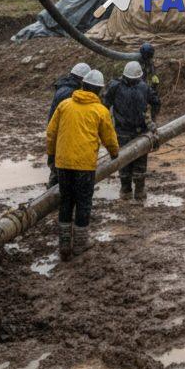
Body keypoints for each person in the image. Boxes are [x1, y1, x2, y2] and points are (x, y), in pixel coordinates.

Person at [46, 69, 119, 260]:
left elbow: (51, 133)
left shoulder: (64, 105)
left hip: (63, 163)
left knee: (66, 201)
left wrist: (52, 156)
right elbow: (109, 137)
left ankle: (63, 245)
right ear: (98, 90)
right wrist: (114, 152)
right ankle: (79, 245)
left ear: (83, 85)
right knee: (83, 203)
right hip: (85, 166)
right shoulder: (100, 110)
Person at [103, 60, 161, 201]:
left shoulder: (139, 87)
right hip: (128, 131)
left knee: (130, 163)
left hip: (135, 131)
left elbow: (156, 101)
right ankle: (129, 191)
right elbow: (104, 105)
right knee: (127, 163)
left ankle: (134, 191)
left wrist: (152, 120)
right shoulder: (120, 87)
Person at [45, 62, 91, 186]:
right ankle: (54, 198)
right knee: (61, 171)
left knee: (57, 169)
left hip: (57, 133)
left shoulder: (63, 88)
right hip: (63, 135)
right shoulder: (70, 93)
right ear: (82, 79)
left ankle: (54, 196)